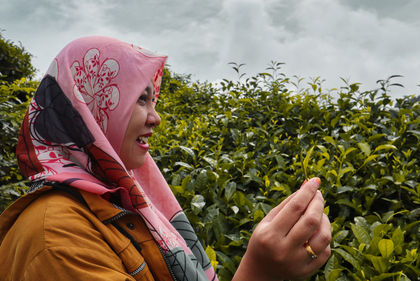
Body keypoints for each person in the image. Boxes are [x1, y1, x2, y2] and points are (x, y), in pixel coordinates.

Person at [0, 36, 331, 281]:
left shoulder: (113, 202)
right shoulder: (55, 238)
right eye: (139, 99)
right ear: (90, 108)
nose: (155, 117)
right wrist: (260, 273)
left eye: (153, 100)